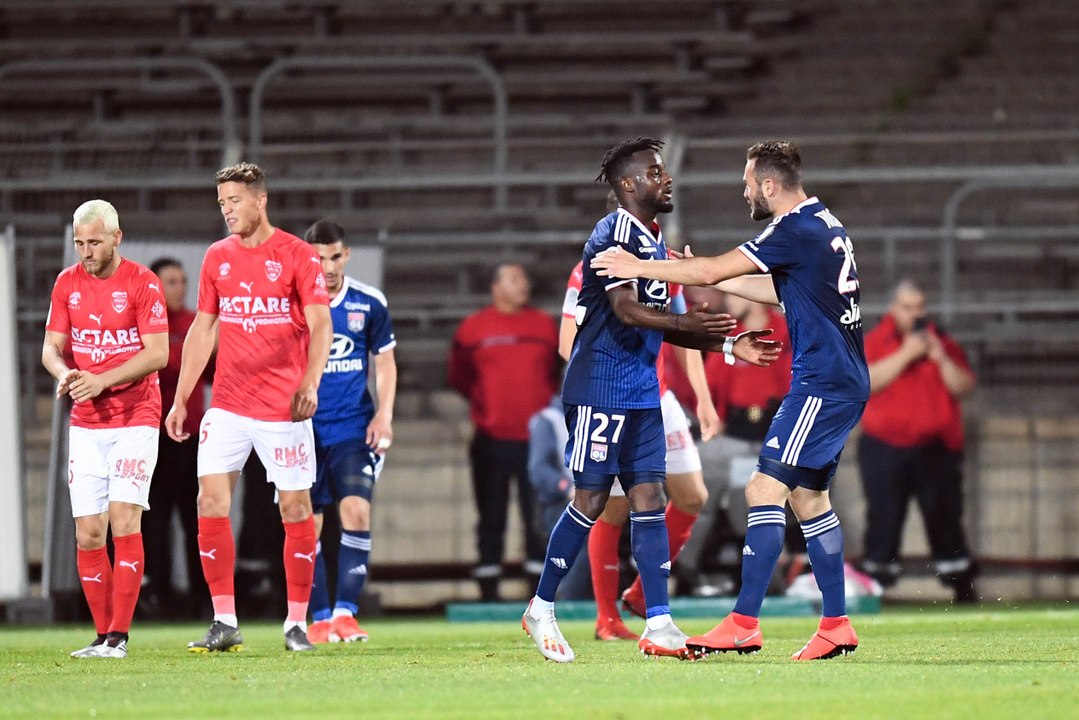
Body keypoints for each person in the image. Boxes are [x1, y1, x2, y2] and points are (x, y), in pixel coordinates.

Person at [592, 139, 870, 661]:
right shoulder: (824, 223)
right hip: (843, 379)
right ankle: (835, 624)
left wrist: (641, 265)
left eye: (748, 183)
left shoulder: (792, 227)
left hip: (822, 382)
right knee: (809, 499)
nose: (744, 192)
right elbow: (781, 290)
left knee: (763, 489)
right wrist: (693, 268)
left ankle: (743, 623)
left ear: (769, 184)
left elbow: (711, 274)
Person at [522, 137, 780, 663]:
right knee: (591, 500)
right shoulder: (613, 232)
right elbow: (624, 309)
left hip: (642, 389)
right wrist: (688, 325)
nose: (666, 179)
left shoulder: (654, 241)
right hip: (600, 386)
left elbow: (670, 327)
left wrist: (729, 346)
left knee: (649, 497)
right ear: (627, 184)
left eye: (664, 171)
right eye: (655, 172)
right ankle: (541, 608)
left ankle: (659, 623)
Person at [165, 162, 332, 653]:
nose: (227, 211)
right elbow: (203, 330)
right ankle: (224, 620)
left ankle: (296, 623)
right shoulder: (217, 257)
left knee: (295, 508)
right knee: (210, 502)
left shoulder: (298, 255)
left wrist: (310, 382)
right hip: (229, 405)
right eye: (222, 203)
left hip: (284, 407)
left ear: (261, 200)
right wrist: (181, 398)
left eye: (235, 201)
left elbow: (321, 324)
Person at [559, 258, 721, 642]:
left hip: (658, 398)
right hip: (613, 399)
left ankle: (641, 595)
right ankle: (607, 619)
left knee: (692, 496)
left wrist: (703, 397)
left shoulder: (666, 266)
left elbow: (684, 335)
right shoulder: (589, 270)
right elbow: (567, 343)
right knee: (611, 508)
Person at [42, 199, 169, 658]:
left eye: (94, 242)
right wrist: (66, 374)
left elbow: (158, 353)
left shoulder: (142, 282)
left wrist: (102, 380)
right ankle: (102, 636)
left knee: (124, 519)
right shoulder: (67, 283)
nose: (86, 252)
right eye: (79, 243)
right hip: (86, 422)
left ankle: (119, 635)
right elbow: (51, 349)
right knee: (89, 533)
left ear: (117, 238)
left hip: (136, 417)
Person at [303, 219, 398, 643]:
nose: (327, 267)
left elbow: (385, 362)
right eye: (319, 258)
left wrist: (384, 415)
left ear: (347, 255)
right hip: (302, 431)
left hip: (352, 428)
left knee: (356, 511)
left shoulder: (368, 302)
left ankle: (346, 613)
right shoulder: (293, 303)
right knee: (306, 524)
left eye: (335, 257)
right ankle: (319, 618)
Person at [858, 279, 977, 602]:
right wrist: (905, 355)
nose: (915, 314)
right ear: (893, 309)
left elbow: (964, 387)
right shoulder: (875, 342)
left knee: (946, 520)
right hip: (884, 446)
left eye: (920, 307)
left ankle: (961, 586)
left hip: (935, 448)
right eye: (907, 307)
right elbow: (864, 383)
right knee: (883, 520)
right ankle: (875, 589)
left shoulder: (943, 342)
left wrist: (941, 358)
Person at [448, 263, 558, 601]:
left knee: (537, 517)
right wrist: (487, 406)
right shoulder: (473, 328)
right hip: (491, 439)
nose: (523, 284)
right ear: (495, 287)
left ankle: (539, 592)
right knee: (490, 515)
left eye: (524, 278)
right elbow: (459, 377)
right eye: (514, 279)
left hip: (537, 442)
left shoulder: (544, 325)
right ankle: (488, 587)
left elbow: (557, 372)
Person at [683, 291, 796, 595]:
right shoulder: (731, 337)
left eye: (734, 295)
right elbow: (710, 384)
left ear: (754, 298)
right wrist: (714, 418)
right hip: (734, 437)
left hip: (773, 437)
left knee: (749, 498)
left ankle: (773, 574)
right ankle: (682, 565)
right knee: (695, 479)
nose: (728, 302)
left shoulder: (785, 333)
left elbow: (793, 384)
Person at [140, 258, 209, 619]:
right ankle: (157, 593)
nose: (180, 288)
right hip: (154, 435)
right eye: (171, 281)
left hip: (191, 436)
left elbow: (211, 371)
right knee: (155, 518)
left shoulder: (196, 323)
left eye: (183, 280)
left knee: (196, 518)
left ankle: (203, 597)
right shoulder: (145, 326)